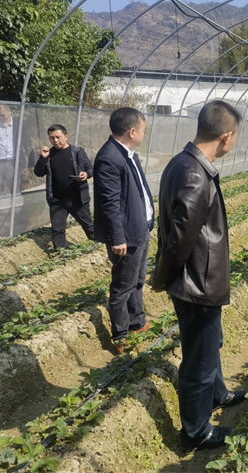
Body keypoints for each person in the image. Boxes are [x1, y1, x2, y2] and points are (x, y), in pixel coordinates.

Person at [149, 100, 246, 452]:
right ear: (226, 136)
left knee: (210, 344)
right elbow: (179, 241)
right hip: (197, 283)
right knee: (198, 361)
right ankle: (195, 431)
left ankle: (217, 394)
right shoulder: (194, 174)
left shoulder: (182, 162)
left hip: (194, 279)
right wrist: (161, 278)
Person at [93, 107, 154, 354]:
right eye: (142, 129)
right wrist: (118, 238)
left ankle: (136, 320)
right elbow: (110, 203)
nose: (143, 133)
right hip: (126, 236)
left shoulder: (128, 154)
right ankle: (120, 334)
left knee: (137, 280)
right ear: (131, 131)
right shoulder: (110, 157)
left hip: (139, 229)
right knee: (122, 286)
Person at [33, 125, 95, 249]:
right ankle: (60, 253)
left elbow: (91, 168)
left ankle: (101, 245)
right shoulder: (49, 155)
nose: (55, 140)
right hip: (57, 200)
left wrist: (86, 174)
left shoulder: (77, 152)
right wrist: (43, 158)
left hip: (77, 198)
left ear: (65, 136)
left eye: (58, 137)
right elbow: (38, 173)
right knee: (57, 229)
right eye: (52, 138)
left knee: (88, 225)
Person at [0, 104, 33, 197]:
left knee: (15, 189)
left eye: (2, 115)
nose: (0, 117)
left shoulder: (19, 125)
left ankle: (16, 211)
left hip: (13, 162)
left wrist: (31, 163)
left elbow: (27, 144)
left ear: (9, 111)